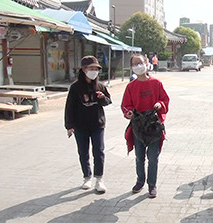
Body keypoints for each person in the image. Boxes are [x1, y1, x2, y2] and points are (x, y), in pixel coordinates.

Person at [121, 54, 170, 198]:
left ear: (146, 63)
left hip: (154, 126)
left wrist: (159, 104)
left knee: (153, 157)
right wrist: (129, 113)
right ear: (131, 67)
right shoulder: (131, 86)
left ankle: (152, 184)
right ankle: (140, 181)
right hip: (138, 126)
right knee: (139, 157)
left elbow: (165, 100)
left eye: (140, 62)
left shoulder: (156, 83)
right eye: (135, 64)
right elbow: (125, 105)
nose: (138, 66)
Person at [65, 55, 112, 193]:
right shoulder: (75, 88)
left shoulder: (100, 86)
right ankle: (87, 177)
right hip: (80, 126)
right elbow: (69, 107)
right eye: (91, 68)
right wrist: (69, 125)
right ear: (84, 69)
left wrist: (102, 98)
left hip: (97, 124)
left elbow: (108, 101)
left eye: (96, 68)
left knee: (99, 151)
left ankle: (99, 179)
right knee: (83, 152)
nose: (94, 71)